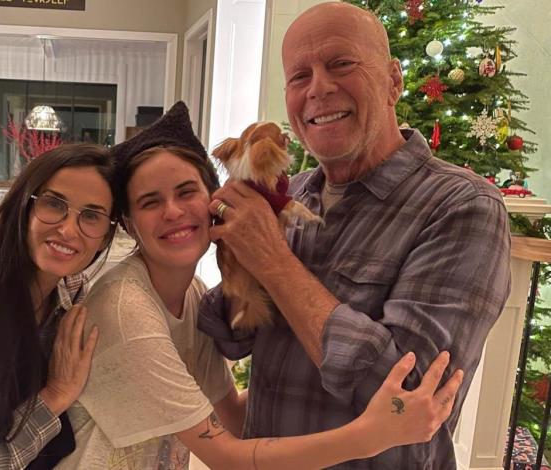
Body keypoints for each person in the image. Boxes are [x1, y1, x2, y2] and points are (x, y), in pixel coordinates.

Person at [57, 101, 462, 470]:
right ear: (128, 222)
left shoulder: (191, 293)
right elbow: (227, 456)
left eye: (186, 192)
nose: (174, 212)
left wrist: (325, 386)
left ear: (215, 197)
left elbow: (230, 413)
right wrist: (371, 435)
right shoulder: (127, 306)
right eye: (150, 202)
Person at [198, 3, 511, 469]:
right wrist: (186, 250)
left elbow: (407, 400)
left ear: (393, 81)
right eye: (298, 76)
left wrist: (272, 260)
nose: (318, 88)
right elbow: (234, 336)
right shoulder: (293, 195)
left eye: (341, 64)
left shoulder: (463, 206)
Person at [0, 144, 117, 468]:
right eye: (55, 204)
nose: (69, 230)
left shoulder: (72, 297)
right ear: (24, 205)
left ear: (107, 236)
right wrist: (54, 396)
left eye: (92, 216)